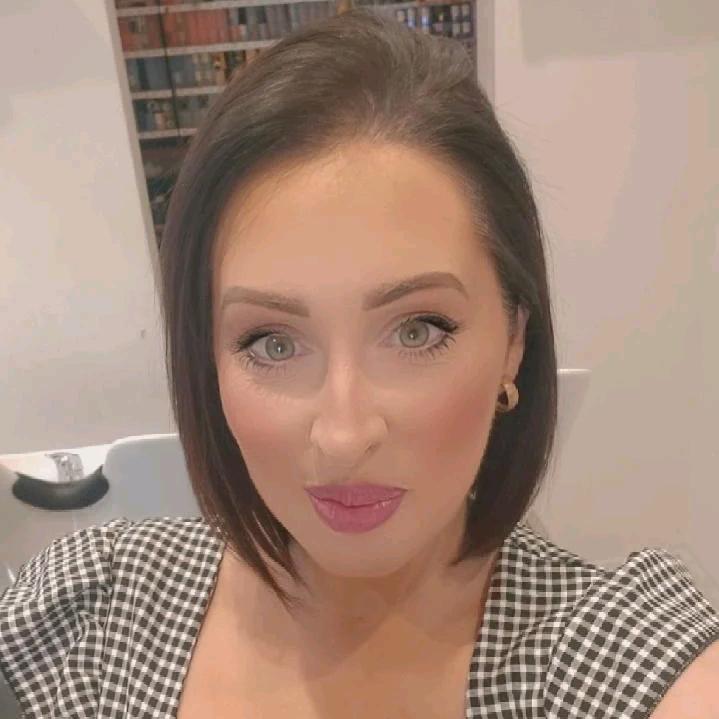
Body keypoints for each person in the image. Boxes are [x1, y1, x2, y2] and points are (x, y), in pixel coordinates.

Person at [2, 8, 718, 719]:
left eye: (416, 331)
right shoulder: (92, 617)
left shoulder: (611, 658)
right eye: (273, 343)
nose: (343, 436)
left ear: (513, 341)